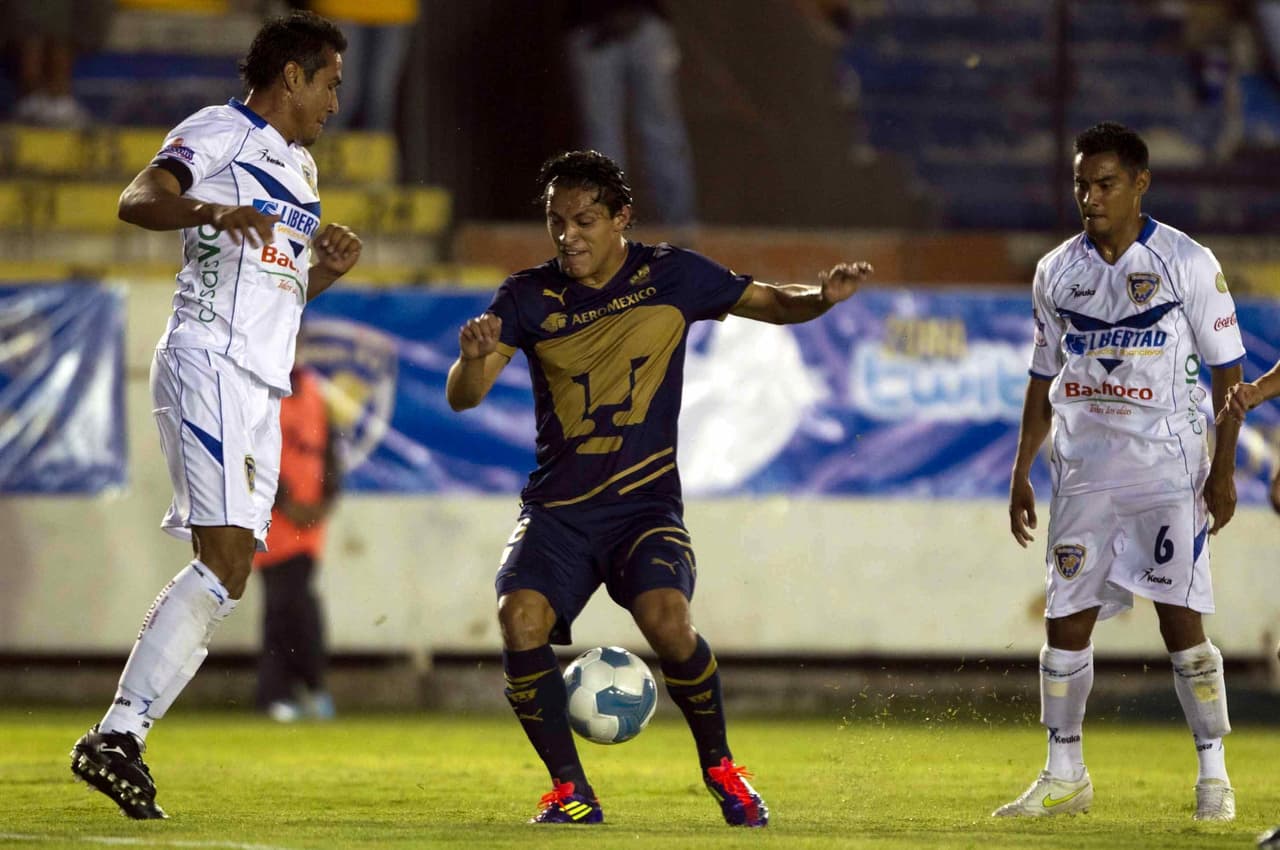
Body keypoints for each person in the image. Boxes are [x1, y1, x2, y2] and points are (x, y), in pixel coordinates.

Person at [446, 149, 872, 826]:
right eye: (556, 222)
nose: (568, 236)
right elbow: (464, 398)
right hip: (558, 512)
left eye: (584, 219)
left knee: (668, 624)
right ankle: (571, 791)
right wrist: (471, 362)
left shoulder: (672, 275)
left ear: (621, 218)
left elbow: (771, 303)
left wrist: (822, 297)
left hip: (643, 506)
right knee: (517, 618)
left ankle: (723, 770)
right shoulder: (526, 297)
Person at [68, 12, 361, 820]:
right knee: (225, 556)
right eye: (330, 83)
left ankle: (120, 735)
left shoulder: (300, 173)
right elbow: (139, 198)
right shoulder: (219, 130)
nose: (337, 102)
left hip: (259, 380)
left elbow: (281, 296)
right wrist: (208, 212)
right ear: (293, 76)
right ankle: (118, 732)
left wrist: (322, 272)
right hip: (209, 362)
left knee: (229, 573)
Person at [996, 122, 1244, 821]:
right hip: (1082, 473)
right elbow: (1043, 376)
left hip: (1167, 468)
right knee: (1067, 622)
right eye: (1081, 183)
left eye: (1105, 183)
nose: (1090, 196)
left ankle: (1214, 777)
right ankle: (1065, 773)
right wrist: (1021, 470)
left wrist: (1221, 472)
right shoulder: (1056, 271)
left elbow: (1231, 374)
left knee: (1181, 622)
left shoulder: (1187, 262)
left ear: (1140, 184)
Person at [253, 363, 341, 723]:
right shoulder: (263, 391)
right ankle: (292, 690)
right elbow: (256, 454)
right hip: (275, 519)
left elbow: (331, 454)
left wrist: (324, 501)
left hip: (310, 522)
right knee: (285, 605)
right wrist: (286, 502)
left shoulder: (316, 392)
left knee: (293, 605)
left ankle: (292, 691)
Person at [563, 1, 697, 229]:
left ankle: (681, 229)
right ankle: (604, 223)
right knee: (602, 136)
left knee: (662, 131)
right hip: (589, 26)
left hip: (646, 22)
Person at [306, 0, 420, 132]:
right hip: (340, 8)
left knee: (379, 100)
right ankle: (321, 150)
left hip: (394, 10)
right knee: (342, 94)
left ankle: (371, 152)